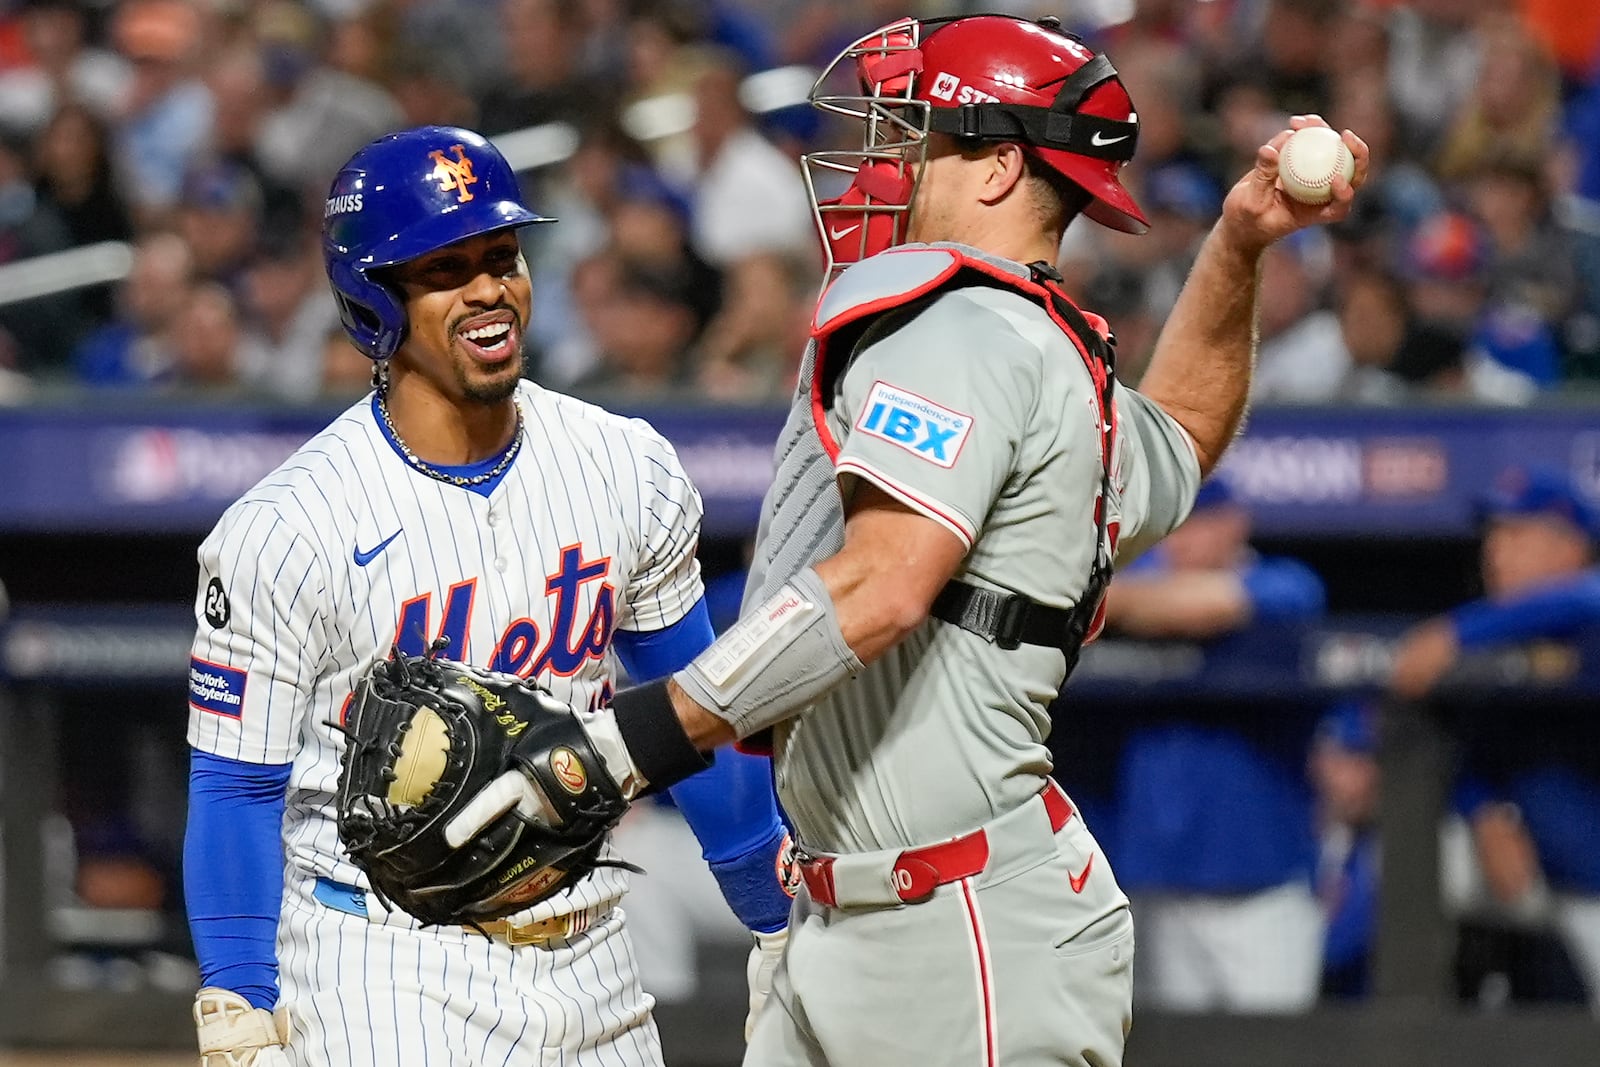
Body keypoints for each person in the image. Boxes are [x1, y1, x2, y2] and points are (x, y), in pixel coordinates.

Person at [452, 14, 1369, 1066]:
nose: (882, 164)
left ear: (999, 166)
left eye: (916, 136)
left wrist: (618, 746)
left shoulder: (960, 327)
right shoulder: (1039, 343)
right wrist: (1239, 242)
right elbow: (1184, 435)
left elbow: (880, 586)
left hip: (955, 930)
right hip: (874, 905)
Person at [182, 126, 794, 1067]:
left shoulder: (625, 465)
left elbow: (696, 713)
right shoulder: (284, 526)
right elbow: (238, 782)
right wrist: (236, 994)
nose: (488, 289)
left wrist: (776, 921)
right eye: (443, 268)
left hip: (591, 948)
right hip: (379, 959)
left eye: (501, 257)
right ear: (372, 303)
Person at [1100, 475, 1329, 1013]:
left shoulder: (1283, 584)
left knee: (1277, 1054)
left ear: (1235, 524)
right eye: (1170, 524)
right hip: (1157, 884)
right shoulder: (1141, 579)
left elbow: (1207, 605)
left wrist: (1103, 600)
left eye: (1197, 522)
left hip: (1265, 886)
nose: (1181, 539)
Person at [1390, 464, 1600, 1009]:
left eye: (1517, 534)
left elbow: (1586, 599)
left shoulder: (1579, 613)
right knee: (1412, 859)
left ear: (1573, 548)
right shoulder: (1496, 644)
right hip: (1546, 880)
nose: (1497, 553)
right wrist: (1485, 812)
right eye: (1493, 536)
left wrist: (1457, 633)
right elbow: (1472, 753)